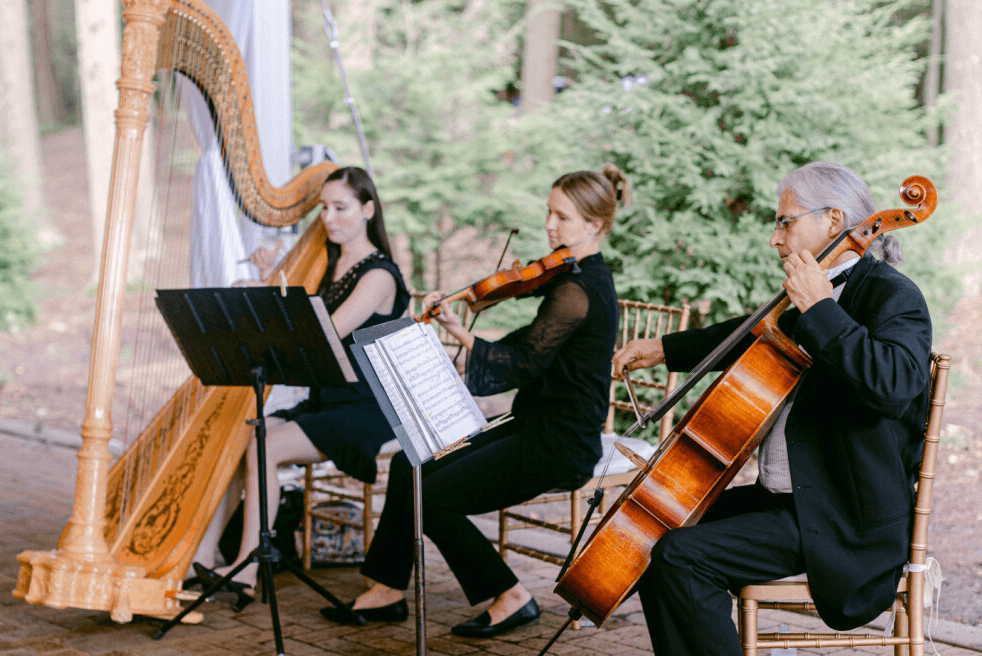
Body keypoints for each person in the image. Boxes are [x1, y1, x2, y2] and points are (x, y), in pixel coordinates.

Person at [611, 162, 933, 655]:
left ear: (833, 220)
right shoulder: (808, 294)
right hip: (786, 497)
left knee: (682, 557)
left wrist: (822, 310)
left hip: (842, 514)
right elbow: (749, 332)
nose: (774, 238)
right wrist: (663, 349)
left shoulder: (894, 295)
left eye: (785, 221)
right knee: (656, 530)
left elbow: (893, 385)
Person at [320, 165, 631, 636]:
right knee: (411, 463)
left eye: (562, 217)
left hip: (559, 443)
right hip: (533, 423)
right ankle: (386, 587)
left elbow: (524, 361)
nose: (549, 225)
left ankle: (510, 595)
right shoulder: (574, 274)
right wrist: (474, 329)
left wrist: (462, 335)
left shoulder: (579, 289)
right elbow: (533, 340)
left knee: (434, 498)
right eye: (548, 212)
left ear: (595, 225)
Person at [192, 166, 411, 608]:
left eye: (341, 208)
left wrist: (275, 294)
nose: (329, 218)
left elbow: (321, 337)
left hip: (365, 409)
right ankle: (200, 556)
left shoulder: (379, 276)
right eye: (324, 208)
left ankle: (248, 567)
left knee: (263, 446)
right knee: (237, 437)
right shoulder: (327, 263)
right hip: (325, 403)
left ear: (368, 210)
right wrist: (273, 276)